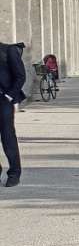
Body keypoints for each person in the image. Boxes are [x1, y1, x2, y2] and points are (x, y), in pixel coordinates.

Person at [0, 41, 26, 187]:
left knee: (7, 137)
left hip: (3, 101)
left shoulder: (8, 50)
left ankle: (14, 173)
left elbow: (20, 76)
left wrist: (9, 96)